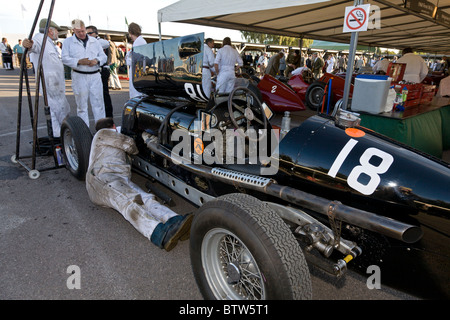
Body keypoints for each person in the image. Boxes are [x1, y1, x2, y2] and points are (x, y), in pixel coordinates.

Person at [85, 117, 192, 251]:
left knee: (146, 198)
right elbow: (130, 146)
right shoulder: (102, 134)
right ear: (112, 126)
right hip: (101, 179)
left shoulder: (103, 141)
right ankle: (157, 233)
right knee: (128, 201)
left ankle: (175, 220)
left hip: (120, 179)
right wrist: (137, 136)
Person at [22, 19, 70, 138]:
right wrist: (28, 44)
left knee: (61, 106)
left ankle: (62, 130)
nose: (57, 33)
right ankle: (57, 134)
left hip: (55, 82)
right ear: (50, 30)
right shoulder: (39, 39)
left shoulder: (48, 41)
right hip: (49, 81)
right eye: (56, 31)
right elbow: (33, 46)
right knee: (54, 107)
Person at [62, 19, 107, 127]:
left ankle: (101, 130)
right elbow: (64, 58)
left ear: (85, 29)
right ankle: (84, 132)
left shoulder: (94, 41)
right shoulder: (68, 42)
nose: (81, 34)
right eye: (78, 32)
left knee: (99, 104)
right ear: (73, 30)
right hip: (79, 75)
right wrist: (78, 61)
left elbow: (103, 56)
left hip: (95, 75)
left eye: (83, 31)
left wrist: (96, 61)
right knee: (82, 106)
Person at [86, 25, 114, 118]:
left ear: (96, 33)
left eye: (90, 33)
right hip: (94, 72)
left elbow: (106, 43)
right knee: (97, 97)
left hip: (102, 71)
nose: (88, 35)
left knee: (104, 95)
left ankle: (109, 117)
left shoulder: (99, 42)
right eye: (87, 34)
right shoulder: (88, 43)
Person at [126, 22, 147, 99]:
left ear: (130, 32)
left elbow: (130, 60)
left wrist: (128, 57)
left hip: (137, 71)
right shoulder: (139, 41)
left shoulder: (138, 43)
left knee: (136, 94)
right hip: (137, 70)